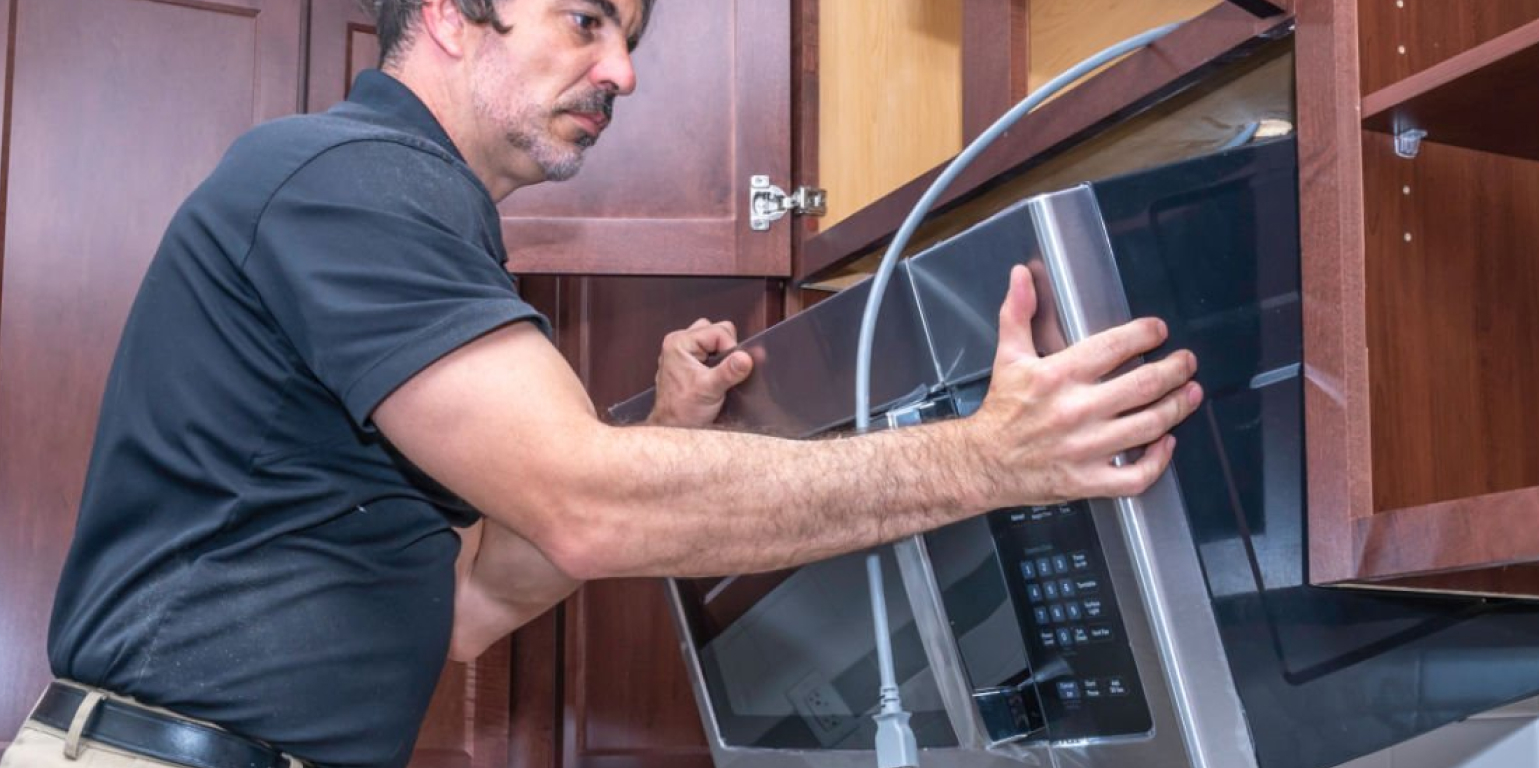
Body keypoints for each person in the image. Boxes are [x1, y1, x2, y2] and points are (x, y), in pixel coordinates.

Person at [2, 1, 1201, 767]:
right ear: (451, 17)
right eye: (585, 20)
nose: (622, 71)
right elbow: (586, 507)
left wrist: (668, 429)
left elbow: (465, 608)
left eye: (630, 37)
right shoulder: (353, 178)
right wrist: (985, 459)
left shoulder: (407, 216)